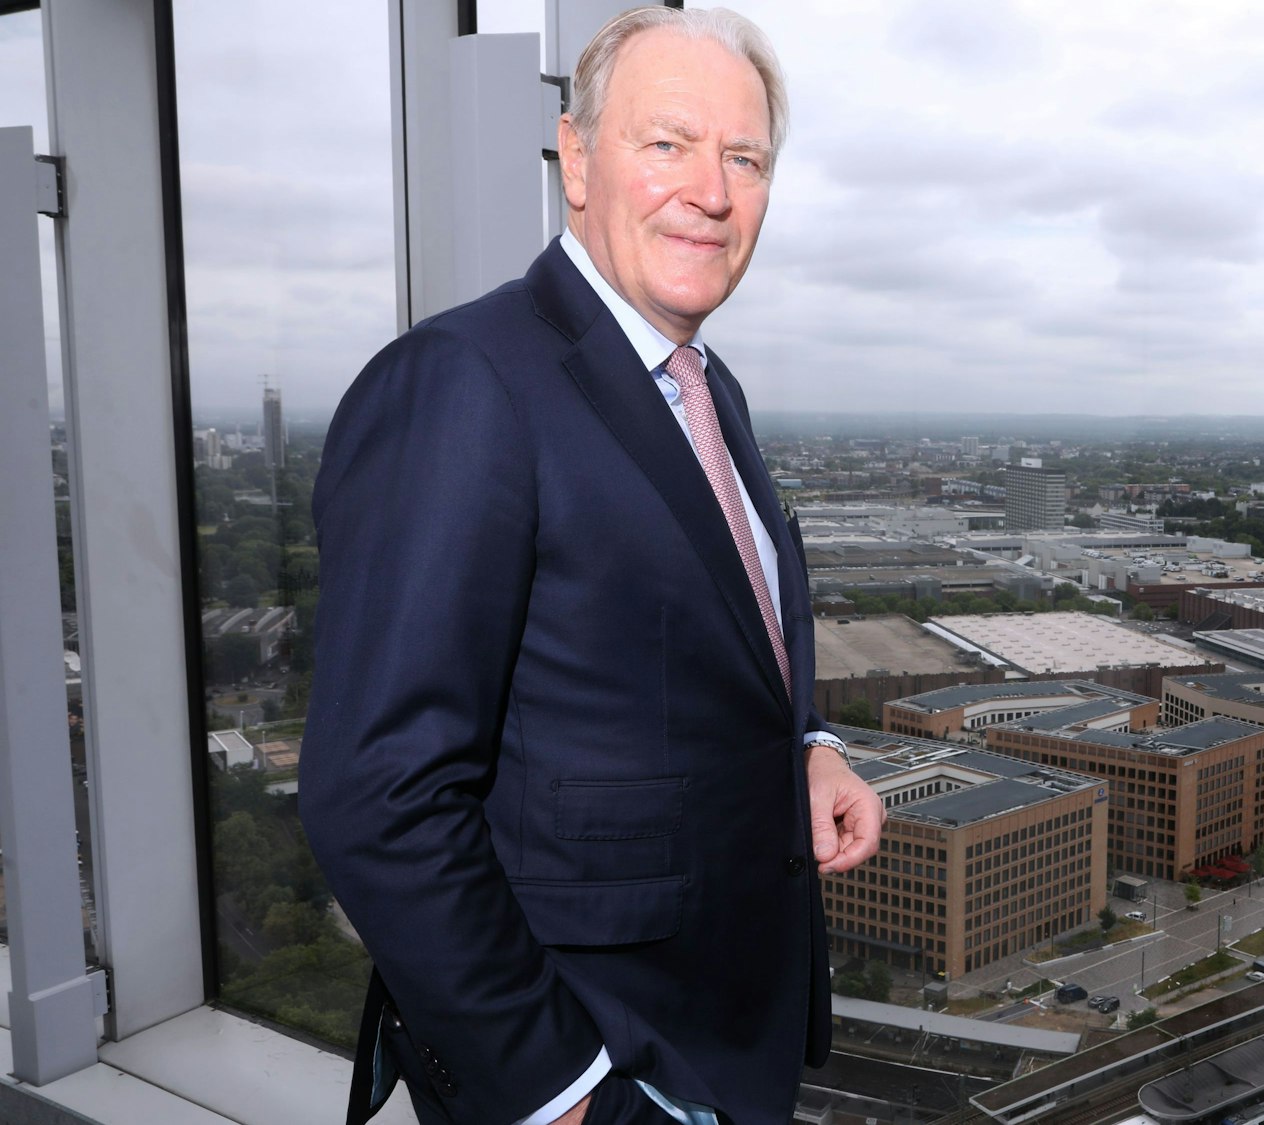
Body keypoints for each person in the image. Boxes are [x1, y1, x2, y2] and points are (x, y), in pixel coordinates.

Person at [300, 8, 883, 1124]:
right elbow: (379, 796)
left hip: (717, 1033)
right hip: (595, 1051)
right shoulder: (463, 384)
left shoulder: (703, 387)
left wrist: (804, 745)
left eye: (744, 157)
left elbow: (689, 650)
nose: (710, 190)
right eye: (666, 143)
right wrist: (566, 1094)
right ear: (575, 159)